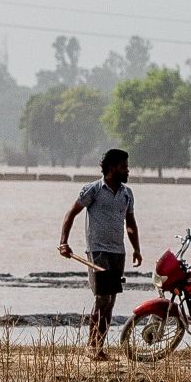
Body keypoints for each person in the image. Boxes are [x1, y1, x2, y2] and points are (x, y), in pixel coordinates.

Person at [57, 147, 143, 359]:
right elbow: (71, 214)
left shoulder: (126, 194)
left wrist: (136, 248)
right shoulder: (93, 190)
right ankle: (92, 346)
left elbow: (130, 223)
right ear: (113, 168)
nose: (127, 171)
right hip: (98, 251)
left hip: (118, 252)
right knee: (102, 299)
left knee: (111, 301)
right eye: (124, 167)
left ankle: (99, 347)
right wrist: (63, 243)